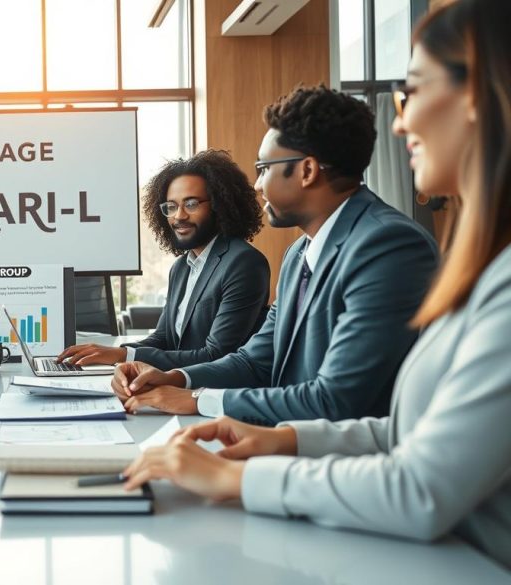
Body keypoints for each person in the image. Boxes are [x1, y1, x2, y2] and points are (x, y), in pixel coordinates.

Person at [122, 0, 511, 569]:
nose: (400, 121)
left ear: (479, 98)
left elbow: (401, 466)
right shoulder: (306, 250)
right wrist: (271, 434)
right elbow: (398, 426)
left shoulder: (389, 245)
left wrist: (238, 472)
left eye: (416, 90)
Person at [112, 85, 439, 426]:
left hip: (347, 461)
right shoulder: (299, 252)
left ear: (308, 171)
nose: (256, 184)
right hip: (287, 440)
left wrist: (198, 399)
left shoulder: (387, 246)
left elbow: (336, 398)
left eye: (264, 168)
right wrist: (176, 378)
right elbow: (255, 360)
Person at [58, 149, 269, 369]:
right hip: (171, 384)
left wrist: (121, 357)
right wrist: (112, 353)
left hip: (209, 394)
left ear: (219, 204)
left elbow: (216, 355)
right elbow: (163, 339)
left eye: (191, 204)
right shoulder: (182, 267)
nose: (179, 216)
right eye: (171, 206)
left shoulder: (243, 263)